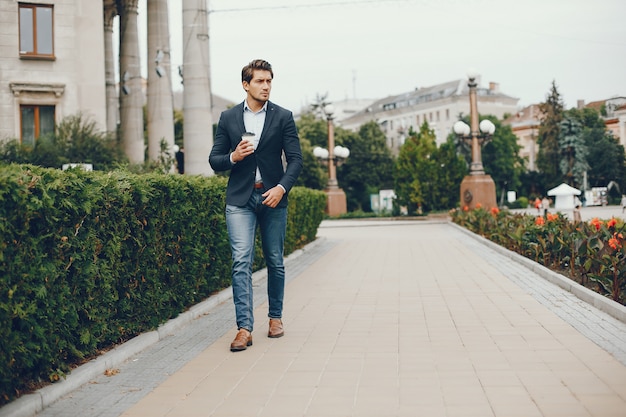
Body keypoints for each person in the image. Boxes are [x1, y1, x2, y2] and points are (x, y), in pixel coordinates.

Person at [209, 59, 303, 352]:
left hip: (272, 197)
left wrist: (281, 187)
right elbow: (215, 160)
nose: (266, 86)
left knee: (275, 260)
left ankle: (275, 318)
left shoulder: (283, 117)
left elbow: (296, 160)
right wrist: (233, 157)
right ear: (246, 84)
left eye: (269, 81)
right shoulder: (228, 118)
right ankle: (244, 328)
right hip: (240, 199)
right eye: (260, 81)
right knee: (241, 262)